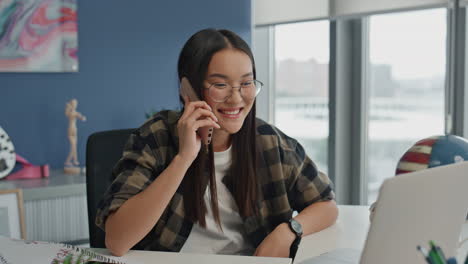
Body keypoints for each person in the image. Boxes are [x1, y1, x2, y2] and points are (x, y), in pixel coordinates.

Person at [95, 28, 338, 258]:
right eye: (220, 85)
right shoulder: (155, 137)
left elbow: (326, 205)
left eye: (246, 83)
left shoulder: (269, 141)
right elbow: (118, 241)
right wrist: (184, 158)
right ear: (187, 88)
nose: (236, 98)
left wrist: (289, 231)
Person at [64, 98, 86, 167]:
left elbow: (81, 117)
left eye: (75, 104)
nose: (75, 105)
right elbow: (73, 115)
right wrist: (69, 107)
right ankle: (74, 160)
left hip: (74, 129)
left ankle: (69, 161)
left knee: (74, 147)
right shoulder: (70, 112)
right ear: (71, 104)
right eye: (73, 103)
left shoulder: (75, 112)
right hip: (70, 129)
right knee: (73, 146)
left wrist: (82, 117)